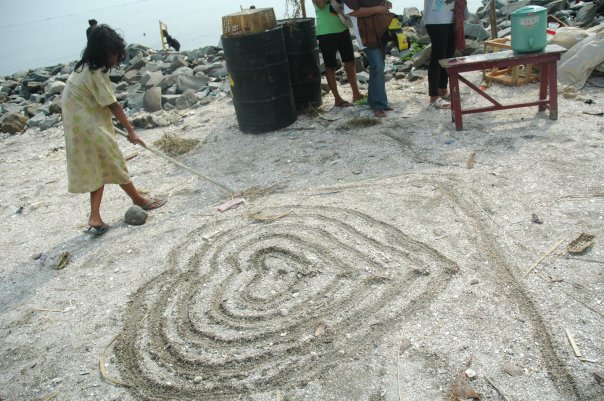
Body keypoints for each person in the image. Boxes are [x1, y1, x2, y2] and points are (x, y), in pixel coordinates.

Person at [62, 24, 166, 236]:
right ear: (102, 52)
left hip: (76, 126)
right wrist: (131, 131)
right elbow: (113, 105)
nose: (116, 58)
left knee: (98, 168)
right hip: (90, 127)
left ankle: (96, 216)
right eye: (113, 53)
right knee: (114, 162)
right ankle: (138, 200)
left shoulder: (81, 68)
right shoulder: (95, 73)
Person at [343, 0, 394, 117]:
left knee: (378, 66)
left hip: (380, 30)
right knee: (378, 66)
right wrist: (378, 9)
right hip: (365, 34)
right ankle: (378, 105)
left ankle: (373, 101)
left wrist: (385, 3)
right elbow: (353, 12)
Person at [313, 0, 364, 108]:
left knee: (350, 61)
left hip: (343, 27)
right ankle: (337, 99)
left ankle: (356, 93)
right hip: (325, 31)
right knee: (330, 66)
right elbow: (321, 5)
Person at [423, 0, 456, 109]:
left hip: (451, 17)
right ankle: (434, 96)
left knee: (448, 55)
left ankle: (442, 89)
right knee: (438, 57)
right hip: (435, 20)